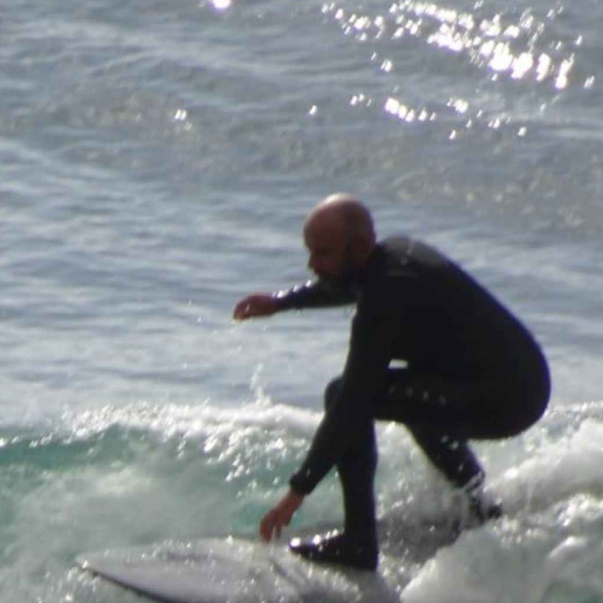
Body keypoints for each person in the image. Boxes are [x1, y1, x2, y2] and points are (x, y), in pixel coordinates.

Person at [233, 194, 550, 571]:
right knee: (416, 402)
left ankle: (359, 543)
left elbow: (353, 400)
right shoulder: (391, 258)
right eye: (310, 252)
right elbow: (349, 284)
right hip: (515, 381)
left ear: (361, 247)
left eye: (322, 253)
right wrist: (280, 302)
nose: (311, 264)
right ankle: (481, 510)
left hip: (506, 399)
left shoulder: (388, 295)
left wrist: (295, 494)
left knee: (347, 396)